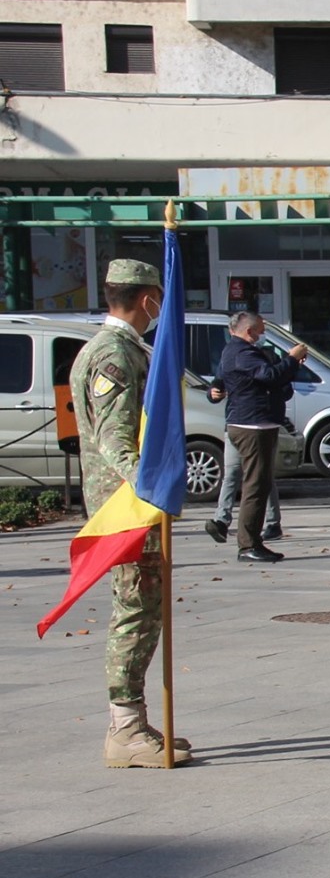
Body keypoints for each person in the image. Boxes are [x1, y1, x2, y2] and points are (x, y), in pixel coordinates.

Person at [76, 258, 188, 768]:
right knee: (136, 612)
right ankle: (124, 729)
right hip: (126, 508)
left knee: (143, 609)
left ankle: (134, 721)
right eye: (160, 298)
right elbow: (114, 440)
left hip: (132, 503)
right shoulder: (113, 355)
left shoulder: (118, 348)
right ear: (148, 300)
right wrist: (153, 490)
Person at [220, 311, 308, 564]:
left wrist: (291, 364)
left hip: (258, 423)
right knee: (255, 486)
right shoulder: (242, 353)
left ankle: (253, 541)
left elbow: (275, 379)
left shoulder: (243, 351)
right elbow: (268, 376)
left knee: (259, 483)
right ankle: (248, 544)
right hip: (252, 426)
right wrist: (291, 358)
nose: (263, 334)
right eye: (260, 329)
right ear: (249, 331)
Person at [202, 375, 281, 547]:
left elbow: (284, 388)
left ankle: (273, 522)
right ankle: (221, 521)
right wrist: (213, 392)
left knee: (262, 475)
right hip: (234, 424)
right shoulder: (230, 360)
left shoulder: (266, 363)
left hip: (260, 426)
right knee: (231, 473)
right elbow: (219, 381)